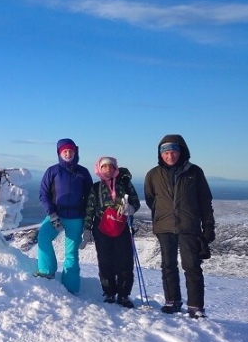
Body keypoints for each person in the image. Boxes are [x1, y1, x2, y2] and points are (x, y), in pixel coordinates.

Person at [144, 135, 215, 318]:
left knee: (191, 266)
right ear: (161, 154)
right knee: (168, 265)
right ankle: (172, 301)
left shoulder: (195, 172)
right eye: (166, 152)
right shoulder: (153, 174)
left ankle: (195, 306)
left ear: (181, 151)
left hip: (188, 225)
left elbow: (205, 200)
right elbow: (151, 200)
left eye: (174, 151)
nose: (170, 155)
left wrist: (208, 226)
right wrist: (161, 216)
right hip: (165, 226)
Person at [35, 138, 93, 294]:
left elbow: (90, 197)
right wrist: (52, 214)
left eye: (70, 151)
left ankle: (71, 289)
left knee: (71, 254)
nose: (68, 153)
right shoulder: (52, 171)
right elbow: (44, 194)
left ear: (75, 152)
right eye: (64, 151)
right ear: (59, 153)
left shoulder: (83, 172)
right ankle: (47, 271)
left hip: (76, 217)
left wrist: (88, 223)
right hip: (56, 215)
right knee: (43, 237)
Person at [82, 156, 141, 308]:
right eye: (104, 167)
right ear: (99, 169)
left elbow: (135, 201)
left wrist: (131, 208)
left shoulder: (125, 184)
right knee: (105, 261)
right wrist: (87, 228)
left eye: (110, 166)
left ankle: (123, 294)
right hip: (101, 227)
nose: (107, 169)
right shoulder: (95, 187)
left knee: (125, 261)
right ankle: (109, 292)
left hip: (122, 226)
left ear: (115, 168)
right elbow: (89, 208)